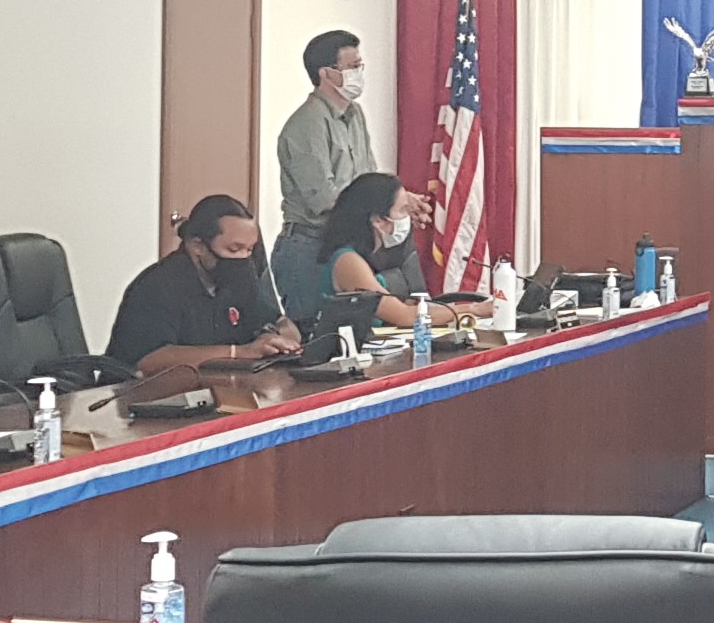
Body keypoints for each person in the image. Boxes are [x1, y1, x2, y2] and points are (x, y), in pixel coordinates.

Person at [109, 195, 303, 371]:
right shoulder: (157, 286)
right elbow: (148, 360)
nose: (244, 258)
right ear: (197, 246)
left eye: (250, 250)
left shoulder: (240, 278)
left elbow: (278, 320)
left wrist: (284, 339)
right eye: (234, 249)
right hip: (142, 396)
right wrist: (238, 352)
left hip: (218, 388)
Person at [273, 28, 379, 318]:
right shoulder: (307, 124)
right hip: (308, 248)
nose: (359, 73)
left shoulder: (355, 114)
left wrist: (396, 201)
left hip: (344, 242)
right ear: (327, 73)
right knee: (314, 338)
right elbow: (323, 199)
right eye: (353, 67)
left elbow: (368, 180)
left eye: (361, 65)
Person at [318, 172, 473, 330]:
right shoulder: (347, 261)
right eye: (403, 210)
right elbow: (404, 317)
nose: (409, 218)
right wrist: (473, 309)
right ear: (378, 220)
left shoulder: (366, 254)